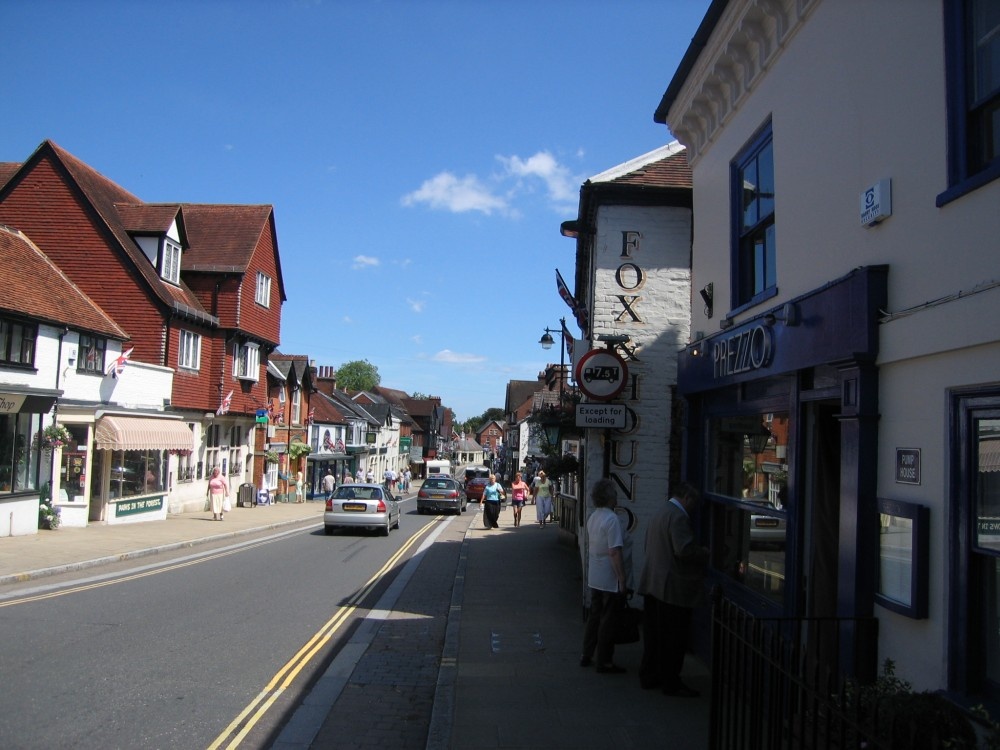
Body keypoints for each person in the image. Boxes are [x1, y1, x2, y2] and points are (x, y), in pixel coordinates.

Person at [638, 481, 709, 698]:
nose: (693, 507)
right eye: (693, 502)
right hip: (671, 588)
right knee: (673, 639)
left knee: (654, 636)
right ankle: (671, 682)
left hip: (653, 583)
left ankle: (650, 676)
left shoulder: (660, 511)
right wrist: (705, 552)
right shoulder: (678, 517)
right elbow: (683, 549)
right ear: (686, 498)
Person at [581, 478, 627, 674]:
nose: (617, 496)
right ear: (609, 497)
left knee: (594, 616)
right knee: (608, 621)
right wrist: (622, 579)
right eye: (615, 493)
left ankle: (587, 653)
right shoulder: (611, 519)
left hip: (595, 576)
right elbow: (614, 551)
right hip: (609, 577)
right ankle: (605, 661)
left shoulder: (593, 516)